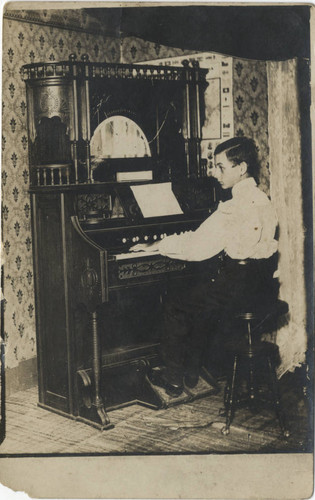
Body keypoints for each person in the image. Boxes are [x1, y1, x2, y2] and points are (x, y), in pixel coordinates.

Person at [130, 137, 279, 397]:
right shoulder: (263, 200)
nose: (214, 173)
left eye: (221, 167)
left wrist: (155, 245)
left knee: (176, 303)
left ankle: (174, 377)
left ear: (241, 167)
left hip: (236, 293)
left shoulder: (234, 208)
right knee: (197, 295)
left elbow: (195, 248)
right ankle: (192, 370)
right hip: (258, 292)